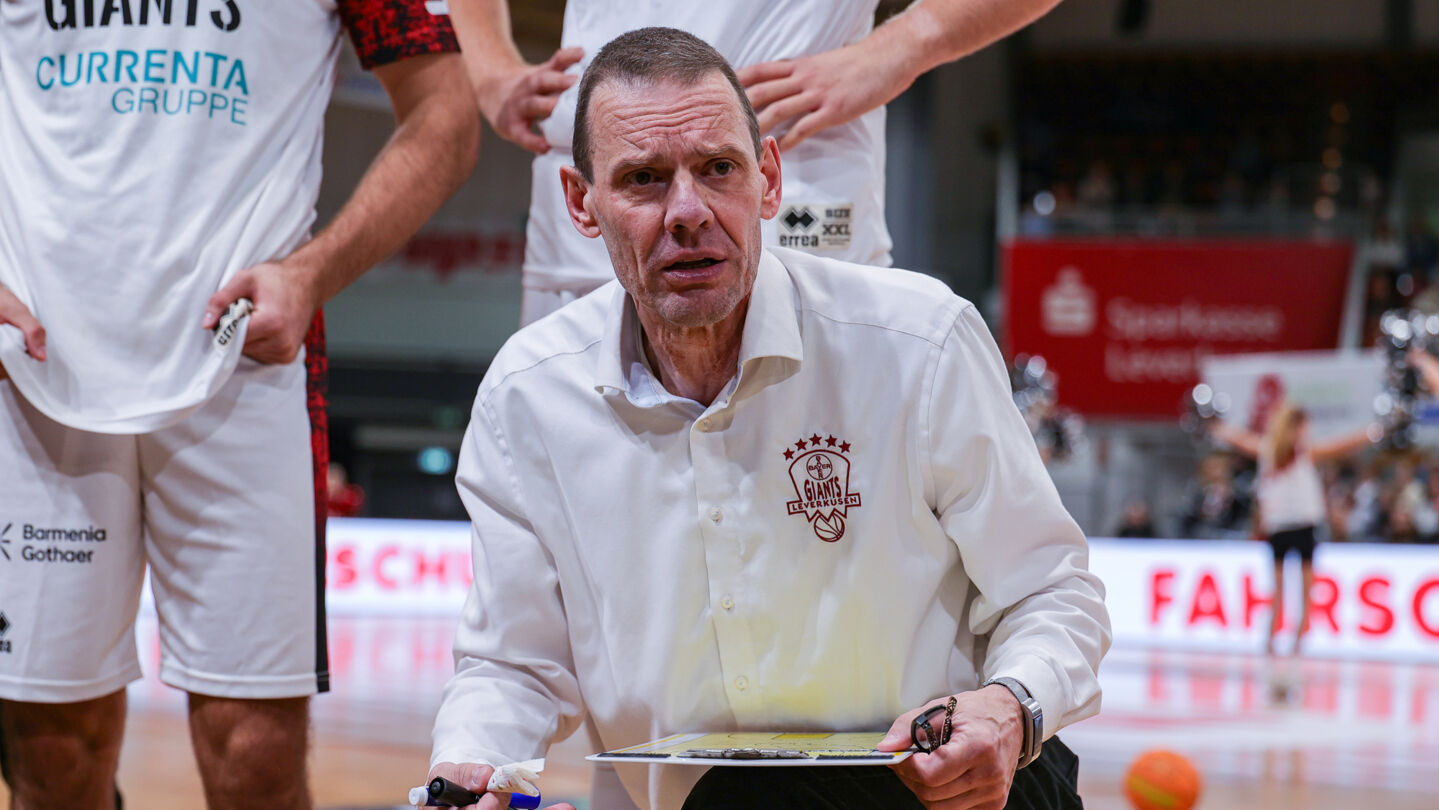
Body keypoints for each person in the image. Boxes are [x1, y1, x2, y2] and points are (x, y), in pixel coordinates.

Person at [427, 28, 1109, 810]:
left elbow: (1051, 593)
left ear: (770, 179)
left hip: (941, 794)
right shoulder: (528, 395)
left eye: (718, 169)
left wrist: (1009, 710)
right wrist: (471, 770)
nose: (687, 212)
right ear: (582, 203)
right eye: (644, 179)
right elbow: (511, 664)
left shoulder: (919, 343)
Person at [0, 2, 478, 808]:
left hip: (247, 364)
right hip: (33, 369)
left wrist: (314, 272)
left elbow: (449, 111)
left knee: (253, 755)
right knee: (50, 759)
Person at [446, 0, 1065, 324]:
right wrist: (490, 70)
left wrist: (903, 45)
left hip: (793, 181)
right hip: (594, 205)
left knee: (814, 499)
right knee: (570, 501)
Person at [1207, 404, 1377, 654]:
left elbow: (1342, 445)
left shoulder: (1284, 452)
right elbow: (1340, 445)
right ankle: (1275, 640)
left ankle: (1293, 641)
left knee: (1300, 589)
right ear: (1295, 427)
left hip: (1299, 527)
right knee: (1283, 590)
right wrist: (1217, 429)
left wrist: (1372, 432)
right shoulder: (1278, 452)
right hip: (1284, 528)